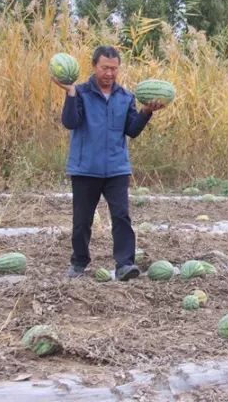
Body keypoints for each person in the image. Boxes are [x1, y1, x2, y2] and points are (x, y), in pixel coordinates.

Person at [52, 46, 166, 281]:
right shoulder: (81, 92)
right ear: (94, 66)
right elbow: (70, 122)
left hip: (116, 169)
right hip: (85, 168)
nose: (109, 73)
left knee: (122, 217)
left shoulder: (125, 97)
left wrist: (146, 112)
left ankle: (125, 264)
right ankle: (79, 263)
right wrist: (70, 93)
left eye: (114, 69)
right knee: (82, 220)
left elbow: (132, 130)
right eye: (105, 68)